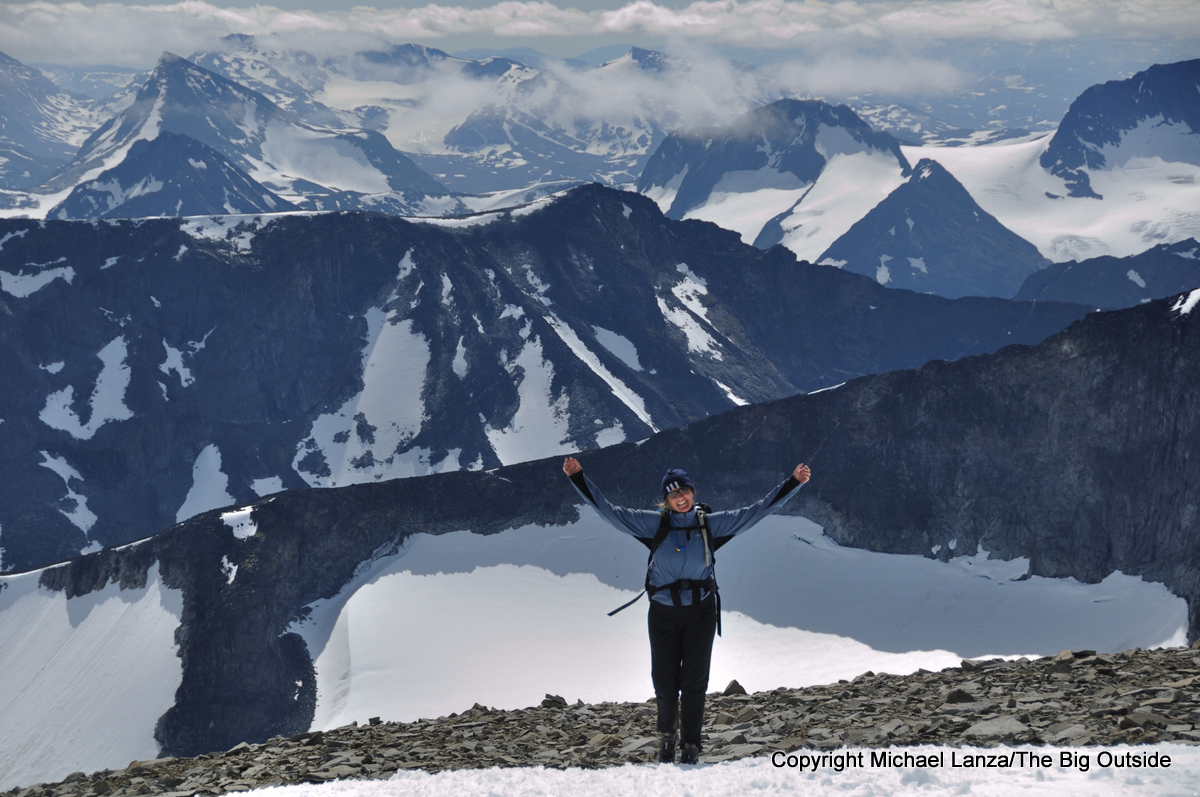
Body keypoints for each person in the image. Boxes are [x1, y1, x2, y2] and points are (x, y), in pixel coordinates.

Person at [562, 456, 811, 765]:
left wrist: (793, 482)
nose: (680, 498)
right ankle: (667, 739)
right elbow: (609, 512)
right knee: (665, 684)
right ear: (666, 500)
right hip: (664, 616)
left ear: (693, 492)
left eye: (684, 491)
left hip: (700, 616)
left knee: (694, 685)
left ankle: (690, 746)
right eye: (673, 494)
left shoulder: (710, 525)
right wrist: (578, 478)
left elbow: (758, 511)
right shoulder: (655, 524)